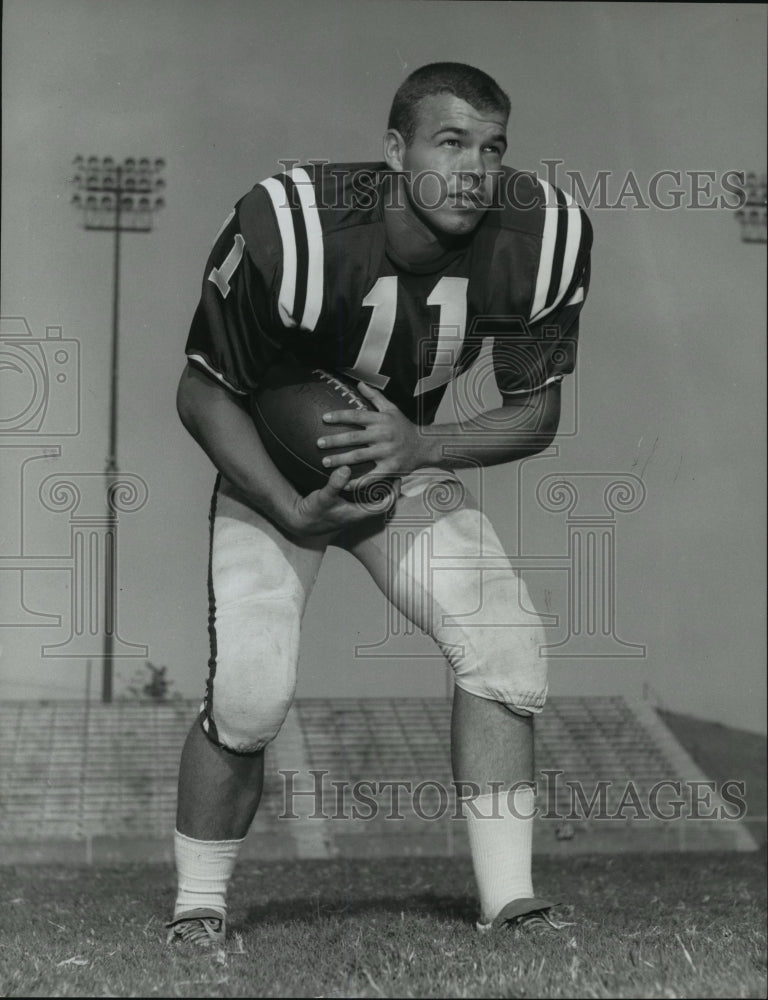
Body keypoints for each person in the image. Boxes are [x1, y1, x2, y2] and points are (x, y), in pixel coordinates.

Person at [168, 61, 592, 947]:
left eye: (493, 147)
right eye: (450, 143)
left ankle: (510, 901)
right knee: (250, 696)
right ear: (395, 150)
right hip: (275, 456)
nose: (474, 169)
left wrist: (421, 445)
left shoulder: (540, 234)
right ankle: (199, 907)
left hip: (400, 455)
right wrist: (288, 506)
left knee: (506, 642)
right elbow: (204, 392)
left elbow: (537, 414)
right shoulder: (294, 225)